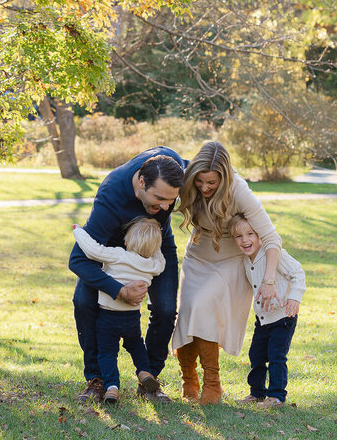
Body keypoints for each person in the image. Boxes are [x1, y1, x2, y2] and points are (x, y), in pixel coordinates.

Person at [69, 147, 185, 403]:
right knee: (84, 303)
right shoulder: (111, 196)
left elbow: (209, 167)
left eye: (171, 201)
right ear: (142, 182)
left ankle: (150, 381)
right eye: (159, 199)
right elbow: (77, 260)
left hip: (156, 244)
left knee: (166, 310)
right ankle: (97, 380)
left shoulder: (172, 166)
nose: (166, 206)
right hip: (111, 247)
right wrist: (119, 290)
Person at [171, 141, 282, 405]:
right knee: (186, 313)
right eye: (201, 182)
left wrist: (268, 281)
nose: (205, 188)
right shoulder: (188, 181)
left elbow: (272, 238)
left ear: (225, 177)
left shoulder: (238, 190)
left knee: (203, 307)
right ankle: (189, 380)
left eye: (212, 183)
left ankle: (213, 384)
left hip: (230, 259)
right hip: (198, 256)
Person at [72, 219, 165, 405]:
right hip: (131, 318)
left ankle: (112, 386)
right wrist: (155, 248)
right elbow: (161, 261)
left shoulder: (117, 255)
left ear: (127, 242)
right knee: (136, 345)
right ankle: (144, 371)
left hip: (108, 317)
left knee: (107, 353)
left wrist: (79, 232)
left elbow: (93, 250)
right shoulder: (153, 266)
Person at [229, 212, 306, 407]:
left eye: (250, 234)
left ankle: (276, 396)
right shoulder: (247, 260)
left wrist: (294, 298)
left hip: (283, 317)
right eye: (239, 236)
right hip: (263, 319)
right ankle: (257, 393)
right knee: (256, 355)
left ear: (260, 235)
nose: (245, 240)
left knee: (276, 357)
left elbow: (298, 272)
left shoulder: (274, 254)